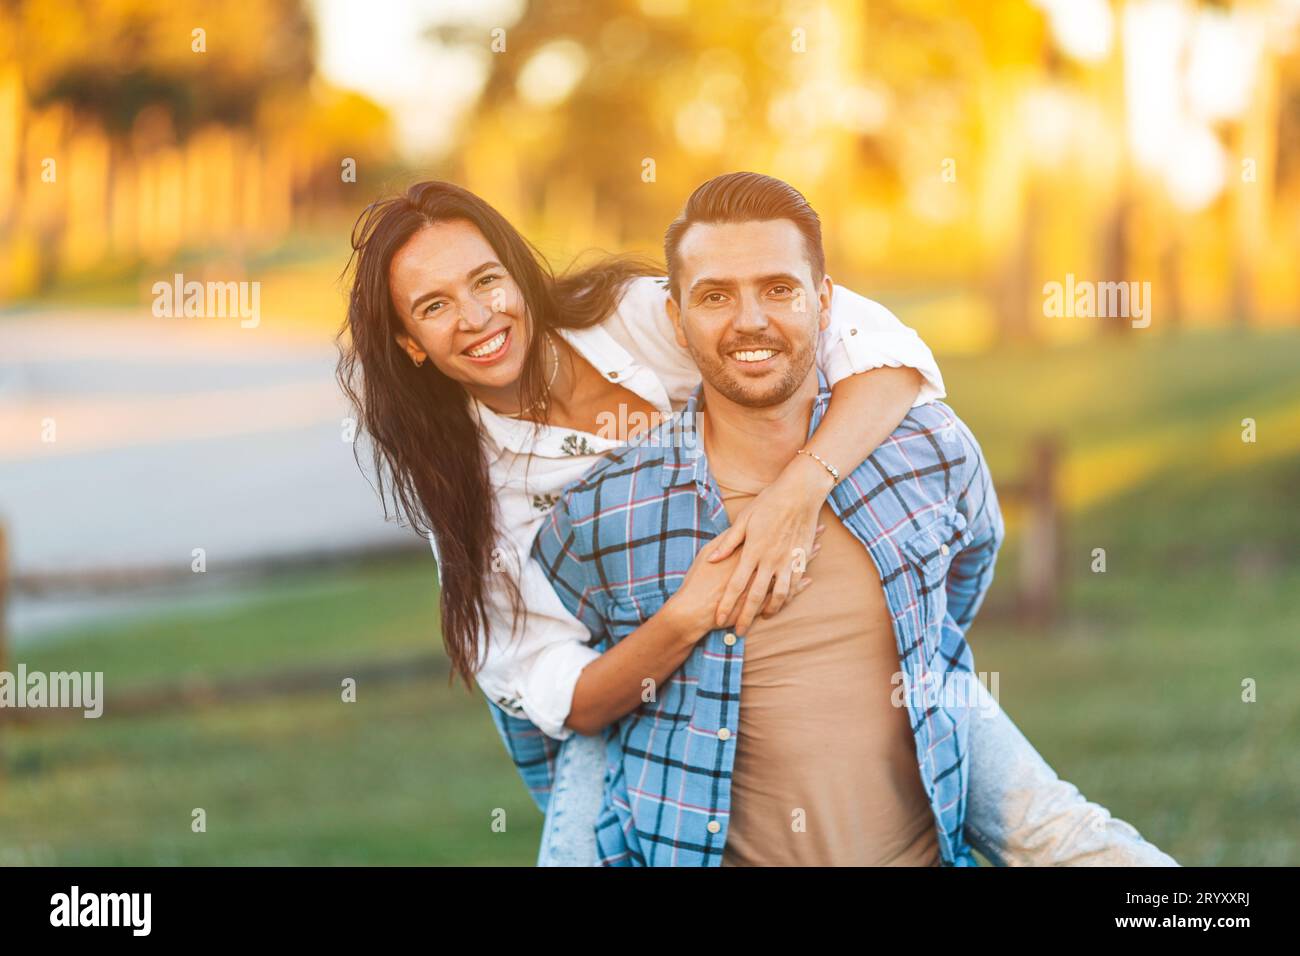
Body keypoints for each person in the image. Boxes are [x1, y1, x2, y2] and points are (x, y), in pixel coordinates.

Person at [517, 172, 1179, 866]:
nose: (750, 320)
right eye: (716, 296)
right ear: (677, 325)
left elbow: (964, 570)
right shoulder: (607, 511)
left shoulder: (926, 447)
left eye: (779, 289)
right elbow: (553, 712)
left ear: (825, 302)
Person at [337, 179, 944, 811]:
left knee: (1012, 796)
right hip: (624, 709)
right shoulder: (470, 495)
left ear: (516, 275)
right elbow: (571, 699)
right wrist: (687, 615)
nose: (476, 317)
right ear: (410, 343)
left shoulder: (630, 316)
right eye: (434, 307)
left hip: (787, 629)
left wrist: (795, 494)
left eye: (486, 280)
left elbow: (882, 349)